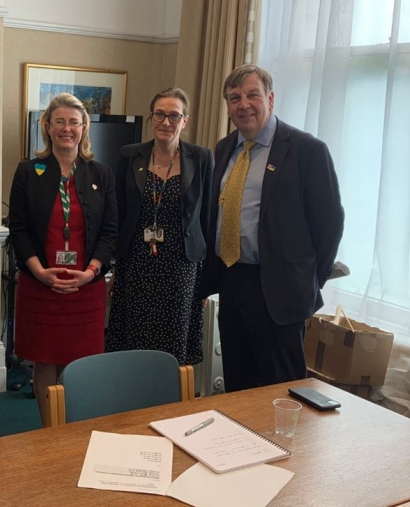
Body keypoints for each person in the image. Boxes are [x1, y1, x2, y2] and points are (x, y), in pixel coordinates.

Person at [200, 64, 344, 392]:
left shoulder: (306, 150)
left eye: (253, 95)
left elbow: (330, 225)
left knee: (281, 391)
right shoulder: (225, 149)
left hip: (279, 291)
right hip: (234, 281)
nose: (243, 104)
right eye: (234, 98)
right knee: (238, 384)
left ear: (271, 99)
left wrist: (306, 278)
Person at [8, 93, 117, 424]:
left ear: (84, 128)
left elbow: (110, 231)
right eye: (60, 121)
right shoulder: (29, 171)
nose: (67, 128)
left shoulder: (101, 174)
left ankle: (76, 428)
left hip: (86, 286)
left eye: (74, 122)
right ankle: (49, 431)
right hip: (41, 284)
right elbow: (19, 228)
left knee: (81, 363)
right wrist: (39, 271)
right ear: (47, 127)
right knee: (45, 360)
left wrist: (93, 271)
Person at [107, 87, 214, 366]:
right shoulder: (130, 155)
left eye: (174, 116)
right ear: (151, 118)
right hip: (137, 264)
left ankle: (171, 407)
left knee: (173, 343)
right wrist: (116, 268)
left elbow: (208, 219)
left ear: (185, 120)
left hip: (181, 266)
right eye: (160, 115)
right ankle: (134, 407)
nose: (166, 122)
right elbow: (119, 212)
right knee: (135, 339)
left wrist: (206, 281)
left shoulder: (201, 158)